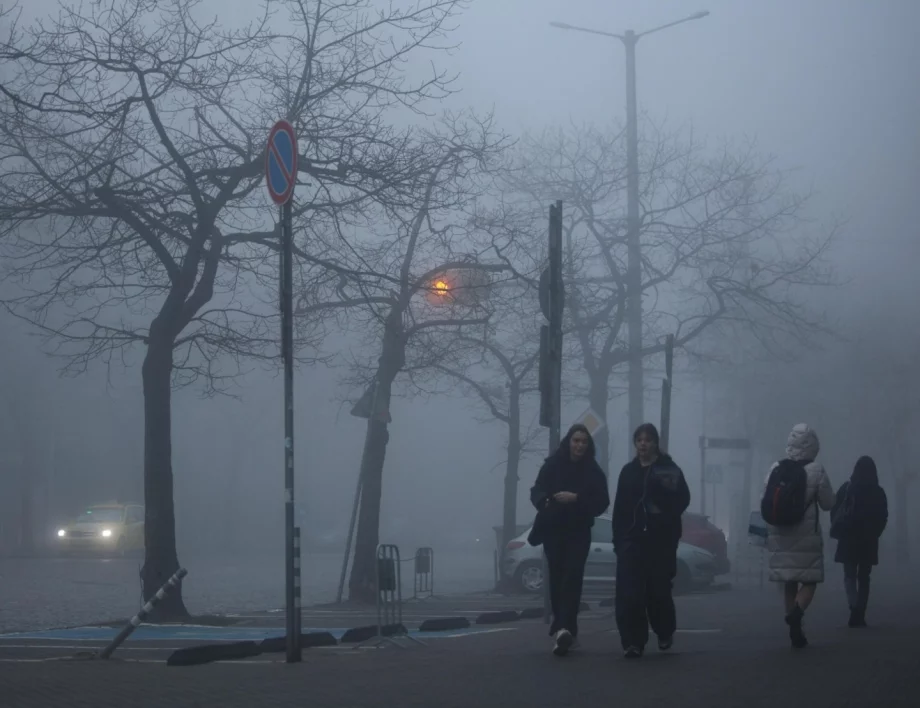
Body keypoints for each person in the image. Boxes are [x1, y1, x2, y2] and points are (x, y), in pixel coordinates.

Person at [528, 423, 610, 656]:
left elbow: (602, 501)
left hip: (578, 530)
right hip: (554, 529)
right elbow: (536, 489)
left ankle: (564, 628)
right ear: (568, 442)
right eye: (576, 440)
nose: (580, 445)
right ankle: (563, 629)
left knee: (573, 577)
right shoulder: (552, 465)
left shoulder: (593, 471)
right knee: (557, 577)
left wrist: (577, 498)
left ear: (588, 445)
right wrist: (543, 500)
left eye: (584, 441)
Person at [612, 423, 691, 659]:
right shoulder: (628, 472)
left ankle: (664, 631)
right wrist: (619, 540)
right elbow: (620, 508)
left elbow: (682, 499)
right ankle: (633, 642)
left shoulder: (668, 469)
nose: (643, 444)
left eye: (647, 440)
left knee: (658, 592)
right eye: (639, 440)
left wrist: (665, 515)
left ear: (655, 443)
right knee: (630, 594)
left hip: (660, 542)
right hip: (632, 541)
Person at [762, 423, 835, 649]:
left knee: (789, 581)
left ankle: (795, 627)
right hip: (806, 536)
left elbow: (765, 497)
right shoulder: (817, 470)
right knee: (811, 580)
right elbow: (828, 503)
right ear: (813, 446)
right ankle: (796, 613)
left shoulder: (776, 467)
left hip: (780, 535)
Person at [831, 455, 888, 627]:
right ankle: (860, 612)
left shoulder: (847, 488)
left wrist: (840, 530)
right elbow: (883, 516)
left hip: (848, 539)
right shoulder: (878, 492)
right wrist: (875, 533)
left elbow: (834, 510)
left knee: (849, 576)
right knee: (864, 577)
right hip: (868, 541)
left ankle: (853, 606)